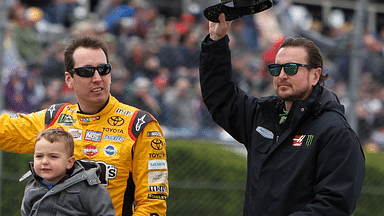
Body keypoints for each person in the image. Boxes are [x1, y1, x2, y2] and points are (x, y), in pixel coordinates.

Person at [199, 13, 365, 216]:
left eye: (292, 68)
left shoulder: (335, 132)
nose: (282, 75)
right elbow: (220, 97)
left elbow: (333, 206)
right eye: (277, 68)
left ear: (315, 75)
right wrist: (216, 41)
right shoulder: (262, 116)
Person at [0, 35, 168, 216]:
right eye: (87, 71)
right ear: (69, 79)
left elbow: (153, 205)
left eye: (103, 69)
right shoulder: (53, 118)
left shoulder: (140, 125)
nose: (97, 78)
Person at [20, 128, 116, 215]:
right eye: (39, 156)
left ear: (69, 162)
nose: (44, 162)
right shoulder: (32, 187)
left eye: (53, 157)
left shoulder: (88, 188)